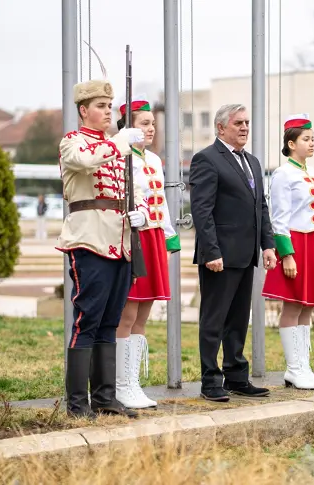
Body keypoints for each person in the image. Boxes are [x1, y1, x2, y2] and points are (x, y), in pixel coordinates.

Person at [56, 78, 147, 419]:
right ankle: (78, 403)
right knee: (87, 319)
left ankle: (105, 398)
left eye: (110, 106)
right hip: (89, 239)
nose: (108, 112)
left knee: (110, 321)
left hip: (121, 242)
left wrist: (139, 212)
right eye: (100, 106)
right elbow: (83, 161)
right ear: (83, 110)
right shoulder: (73, 142)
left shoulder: (116, 147)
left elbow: (130, 191)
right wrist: (120, 143)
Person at [189, 104, 277, 402]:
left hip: (246, 254)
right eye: (238, 123)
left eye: (247, 122)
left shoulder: (251, 162)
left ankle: (237, 376)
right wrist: (211, 251)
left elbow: (260, 206)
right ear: (220, 127)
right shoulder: (206, 159)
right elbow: (201, 210)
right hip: (219, 257)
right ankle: (210, 380)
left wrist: (268, 244)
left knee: (238, 319)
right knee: (214, 320)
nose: (244, 127)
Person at [116, 95, 181, 409]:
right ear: (129, 126)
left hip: (154, 237)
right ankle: (120, 384)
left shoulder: (154, 160)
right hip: (134, 238)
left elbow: (162, 203)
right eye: (144, 123)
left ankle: (133, 382)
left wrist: (170, 239)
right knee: (128, 312)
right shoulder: (120, 156)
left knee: (144, 312)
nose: (151, 128)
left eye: (153, 123)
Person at [262, 114, 314, 390]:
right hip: (296, 244)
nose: (312, 143)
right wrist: (286, 254)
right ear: (291, 143)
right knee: (293, 304)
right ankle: (293, 368)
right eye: (306, 139)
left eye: (313, 138)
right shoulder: (283, 174)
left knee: (308, 305)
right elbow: (279, 217)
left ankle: (303, 366)